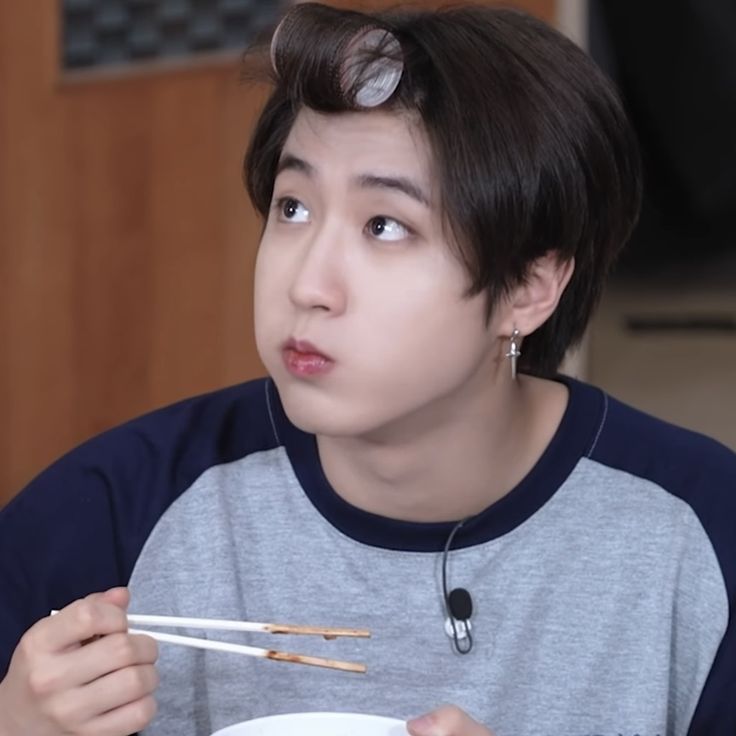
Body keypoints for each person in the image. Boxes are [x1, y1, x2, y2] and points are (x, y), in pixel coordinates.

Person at [0, 3, 734, 735]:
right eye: (292, 208)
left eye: (385, 225)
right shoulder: (112, 516)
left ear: (529, 288)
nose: (307, 284)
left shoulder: (698, 535)